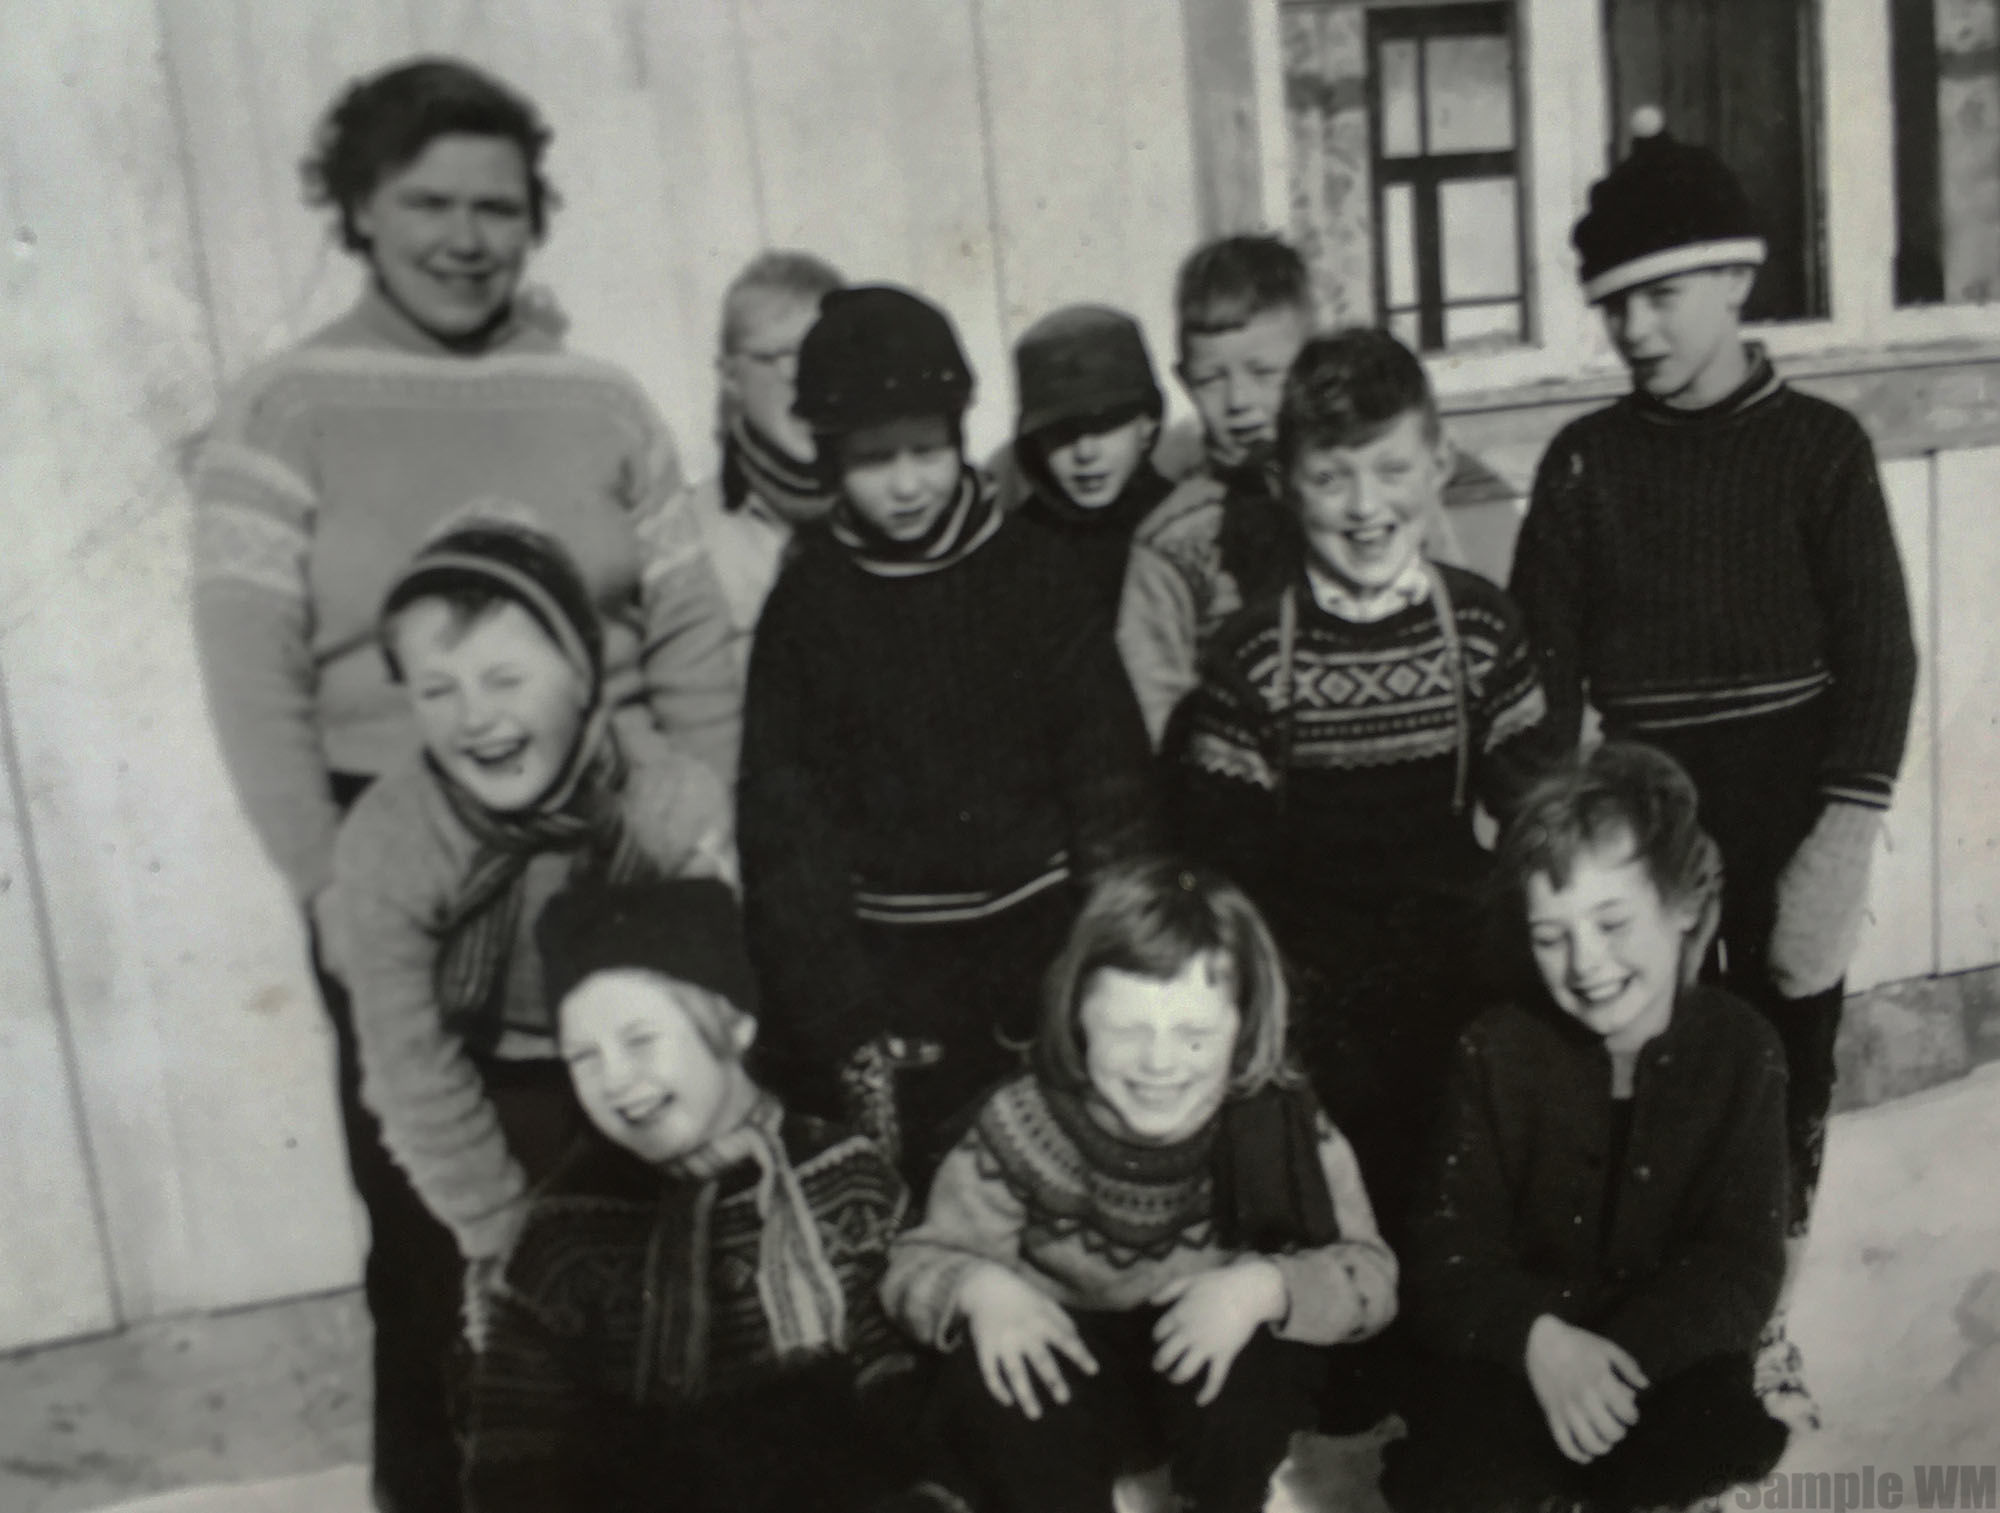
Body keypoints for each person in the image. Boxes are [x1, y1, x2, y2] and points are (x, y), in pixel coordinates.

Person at [187, 59, 737, 1510]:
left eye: (499, 205)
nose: (466, 236)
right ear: (358, 206)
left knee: (655, 1191)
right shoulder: (286, 405)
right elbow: (253, 673)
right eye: (427, 200)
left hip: (618, 842)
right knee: (446, 1230)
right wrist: (328, 883)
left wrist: (701, 853)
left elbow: (684, 638)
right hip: (409, 860)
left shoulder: (601, 398)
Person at [1508, 120, 1918, 1426]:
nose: (1632, 329)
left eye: (1660, 295)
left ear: (1738, 284)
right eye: (1612, 304)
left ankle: (1763, 1312)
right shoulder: (1585, 465)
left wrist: (1841, 837)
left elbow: (1882, 654)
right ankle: (1650, 1318)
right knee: (1649, 1064)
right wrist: (1551, 838)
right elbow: (1539, 671)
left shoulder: (1820, 447)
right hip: (1643, 823)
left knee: (1785, 1071)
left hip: (1794, 806)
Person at [332, 517, 734, 1503]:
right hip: (481, 1096)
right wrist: (500, 1235)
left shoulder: (663, 802)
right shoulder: (392, 838)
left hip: (640, 1073)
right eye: (438, 688)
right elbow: (406, 1065)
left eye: (506, 678)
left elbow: (711, 1024)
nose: (475, 717)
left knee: (682, 1321)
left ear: (585, 673)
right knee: (483, 1340)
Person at [737, 285, 1158, 1185]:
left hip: (1046, 955)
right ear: (827, 459)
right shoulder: (810, 605)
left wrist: (1108, 955)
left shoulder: (1031, 574)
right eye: (872, 457)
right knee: (934, 1215)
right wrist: (843, 1019)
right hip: (897, 981)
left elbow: (1108, 777)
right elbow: (787, 827)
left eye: (925, 449)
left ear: (961, 435)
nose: (906, 481)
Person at [1174, 328, 1550, 1259]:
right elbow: (1229, 874)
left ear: (1437, 462)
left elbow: (1542, 821)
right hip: (1318, 1002)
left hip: (1459, 979)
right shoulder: (1255, 658)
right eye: (1332, 477)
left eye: (1391, 470)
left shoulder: (1482, 628)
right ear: (1284, 483)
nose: (1366, 506)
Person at [883, 856, 1397, 1513]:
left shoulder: (1278, 1116)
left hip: (1208, 1363)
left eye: (1195, 1035)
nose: (1159, 1062)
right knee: (990, 1372)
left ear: (1242, 1026)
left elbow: (1372, 1275)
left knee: (1260, 1356)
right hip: (1074, 1375)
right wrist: (980, 1291)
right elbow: (915, 1263)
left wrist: (1263, 1288)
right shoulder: (1022, 1120)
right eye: (1129, 1030)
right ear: (1077, 1018)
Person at [461, 878, 959, 1513]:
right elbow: (515, 1444)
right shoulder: (568, 1227)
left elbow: (899, 1387)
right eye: (582, 1056)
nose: (616, 1081)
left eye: (640, 1040)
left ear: (736, 1024)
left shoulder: (846, 1176)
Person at [1385, 742, 1790, 1513]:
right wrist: (1538, 1340)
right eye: (1551, 935)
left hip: (1661, 1358)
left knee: (1694, 1450)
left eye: (1612, 922)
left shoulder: (1741, 1051)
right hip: (1521, 1351)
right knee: (1457, 1470)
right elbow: (1445, 1251)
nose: (1586, 963)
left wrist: (1618, 1364)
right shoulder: (1496, 1049)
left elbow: (1739, 1261)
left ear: (1681, 906)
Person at [1116, 234, 1315, 745]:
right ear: (1183, 381)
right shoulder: (1171, 541)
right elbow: (1156, 705)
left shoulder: (1369, 501)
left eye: (1265, 373)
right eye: (1211, 380)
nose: (1239, 402)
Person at [688, 250, 847, 677]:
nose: (805, 376)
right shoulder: (689, 539)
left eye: (826, 350)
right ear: (730, 377)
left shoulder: (905, 506)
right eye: (779, 356)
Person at [1009, 303, 1173, 614]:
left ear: (1148, 421)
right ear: (1033, 442)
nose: (1085, 453)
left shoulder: (1190, 525)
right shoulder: (1016, 551)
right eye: (1061, 431)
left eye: (1106, 424)